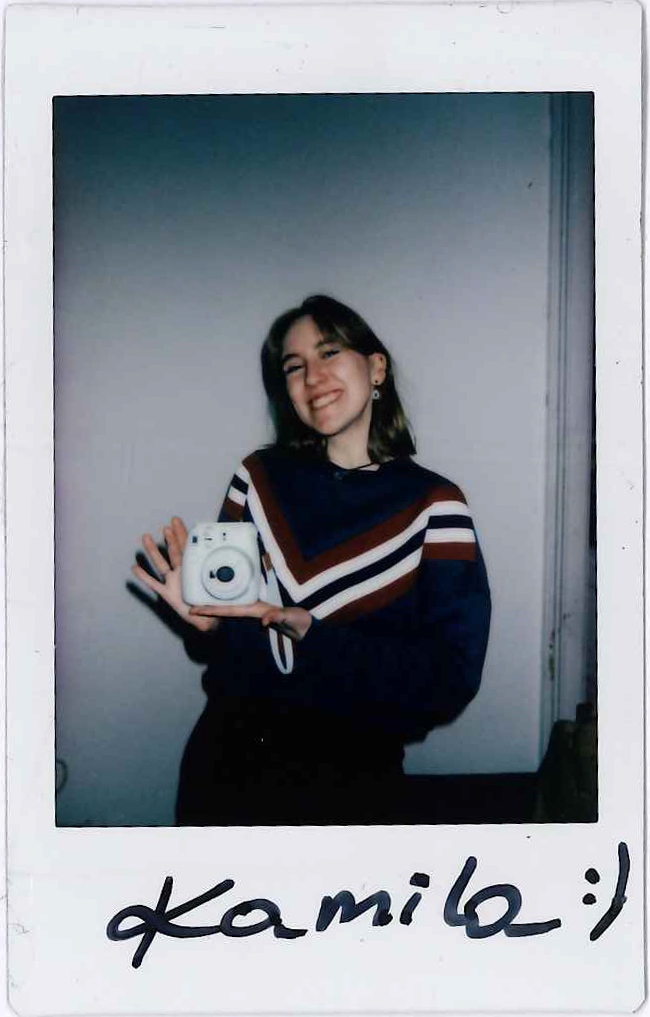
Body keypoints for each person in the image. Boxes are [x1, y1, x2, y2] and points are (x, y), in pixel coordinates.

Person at [133, 295, 491, 826]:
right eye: (294, 366)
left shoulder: (435, 506)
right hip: (226, 771)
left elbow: (451, 678)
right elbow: (232, 643)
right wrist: (208, 626)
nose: (312, 377)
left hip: (352, 783)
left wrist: (315, 637)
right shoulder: (257, 480)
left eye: (329, 352)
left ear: (376, 368)